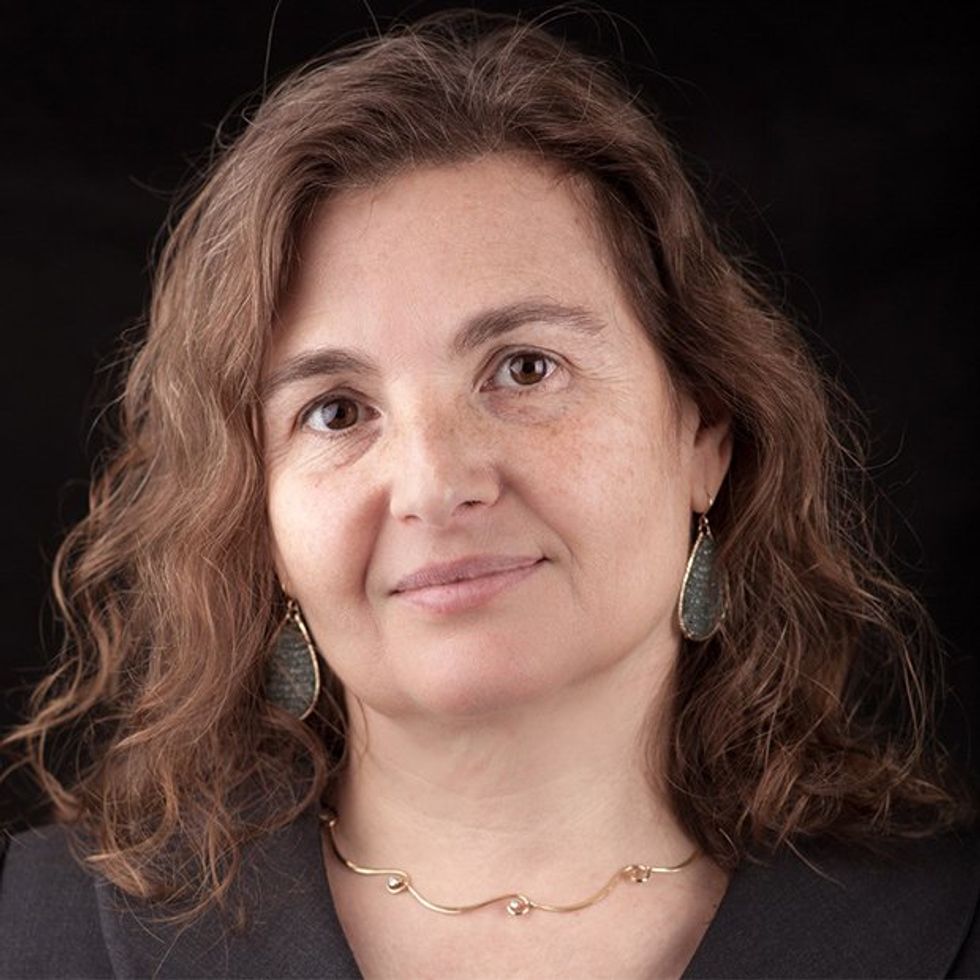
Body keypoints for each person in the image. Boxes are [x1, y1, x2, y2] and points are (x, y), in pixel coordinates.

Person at [1, 8, 978, 978]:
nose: (433, 485)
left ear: (702, 436)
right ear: (256, 516)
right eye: (336, 412)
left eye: (523, 368)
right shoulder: (38, 933)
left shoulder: (947, 925)